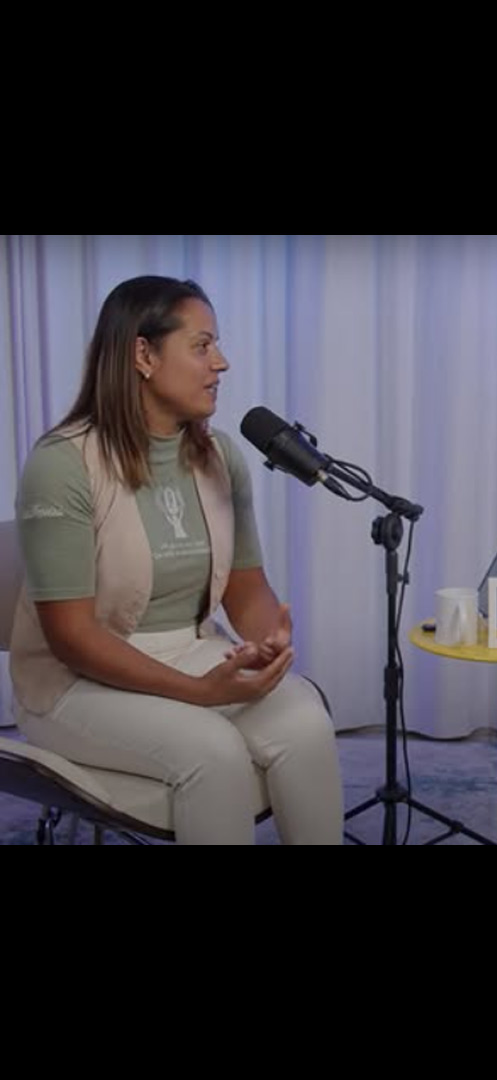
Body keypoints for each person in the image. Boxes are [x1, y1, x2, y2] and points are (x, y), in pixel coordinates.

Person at [10, 275, 344, 844]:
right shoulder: (63, 463)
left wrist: (268, 640)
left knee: (307, 720)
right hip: (73, 682)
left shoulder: (219, 457)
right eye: (202, 345)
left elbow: (245, 587)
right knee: (210, 751)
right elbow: (70, 638)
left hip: (191, 650)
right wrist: (200, 694)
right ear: (143, 354)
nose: (222, 363)